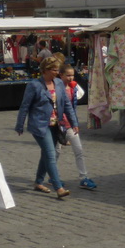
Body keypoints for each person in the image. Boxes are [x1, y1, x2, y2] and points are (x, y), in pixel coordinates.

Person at [16, 57, 76, 199]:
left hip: (55, 125)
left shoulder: (59, 84)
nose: (57, 72)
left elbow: (66, 104)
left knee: (46, 154)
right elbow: (25, 106)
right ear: (45, 70)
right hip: (40, 125)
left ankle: (38, 182)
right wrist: (20, 125)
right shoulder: (34, 85)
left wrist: (74, 123)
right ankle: (59, 188)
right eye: (54, 70)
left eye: (57, 69)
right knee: (50, 154)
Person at [57, 64, 97, 190]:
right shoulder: (56, 88)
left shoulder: (73, 87)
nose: (70, 78)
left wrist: (74, 122)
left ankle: (83, 177)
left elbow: (73, 105)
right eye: (67, 75)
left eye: (72, 75)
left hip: (69, 124)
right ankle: (54, 177)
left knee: (78, 150)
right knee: (56, 152)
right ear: (61, 75)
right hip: (58, 125)